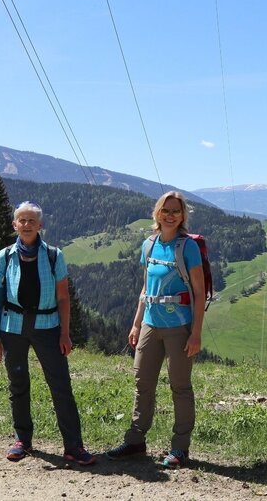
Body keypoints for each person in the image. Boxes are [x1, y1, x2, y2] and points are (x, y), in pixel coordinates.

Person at [0, 201, 96, 466]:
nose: (26, 225)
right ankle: (22, 440)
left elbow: (63, 298)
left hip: (48, 329)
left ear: (40, 225)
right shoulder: (4, 256)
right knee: (18, 384)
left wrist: (66, 334)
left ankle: (74, 446)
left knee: (61, 386)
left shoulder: (54, 256)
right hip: (12, 328)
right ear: (14, 225)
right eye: (21, 220)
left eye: (31, 221)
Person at [106, 191, 205, 468]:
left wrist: (196, 333)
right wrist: (137, 322)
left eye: (176, 211)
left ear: (183, 216)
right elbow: (146, 288)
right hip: (151, 323)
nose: (170, 215)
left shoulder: (188, 248)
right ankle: (136, 440)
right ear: (157, 213)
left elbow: (200, 292)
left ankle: (180, 448)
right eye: (166, 210)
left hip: (179, 327)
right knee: (142, 383)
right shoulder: (149, 245)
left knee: (180, 386)